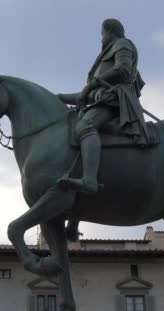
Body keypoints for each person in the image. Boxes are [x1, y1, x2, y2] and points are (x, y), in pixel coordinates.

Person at [57, 18, 148, 193]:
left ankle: (89, 180)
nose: (101, 38)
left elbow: (123, 68)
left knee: (86, 125)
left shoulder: (121, 44)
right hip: (103, 99)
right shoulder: (105, 57)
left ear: (110, 32)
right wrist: (59, 98)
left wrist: (92, 84)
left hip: (116, 100)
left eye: (102, 34)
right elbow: (85, 97)